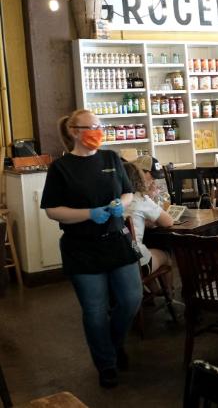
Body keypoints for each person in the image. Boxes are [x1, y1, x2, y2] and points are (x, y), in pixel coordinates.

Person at [41, 109, 142, 388]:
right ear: (74, 131)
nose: (98, 131)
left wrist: (123, 202)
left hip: (117, 241)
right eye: (91, 127)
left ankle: (113, 342)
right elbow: (52, 210)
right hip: (81, 247)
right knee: (95, 311)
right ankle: (106, 364)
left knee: (131, 299)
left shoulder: (110, 158)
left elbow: (127, 190)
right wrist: (89, 213)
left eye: (100, 126)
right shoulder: (60, 168)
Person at [123, 160, 174, 292]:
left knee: (146, 249)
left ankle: (153, 292)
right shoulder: (140, 198)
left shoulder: (112, 200)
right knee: (166, 256)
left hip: (115, 260)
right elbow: (168, 222)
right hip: (135, 262)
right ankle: (169, 295)